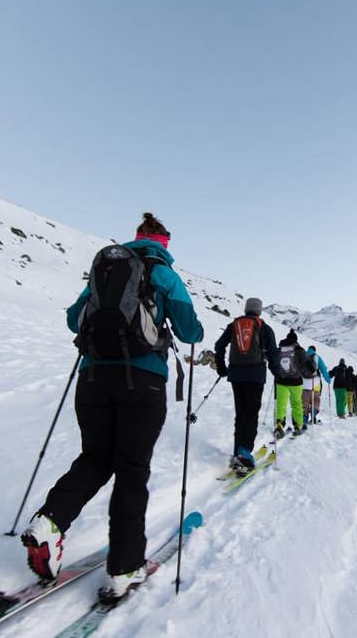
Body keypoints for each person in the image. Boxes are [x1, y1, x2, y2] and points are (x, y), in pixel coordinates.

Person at [21, 213, 203, 601]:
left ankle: (50, 523)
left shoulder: (105, 267)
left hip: (91, 380)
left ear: (136, 238)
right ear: (164, 244)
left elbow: (74, 320)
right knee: (132, 470)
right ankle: (124, 567)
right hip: (143, 382)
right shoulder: (163, 273)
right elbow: (190, 330)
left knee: (95, 458)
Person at [214, 298, 278, 471]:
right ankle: (244, 453)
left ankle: (237, 452)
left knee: (241, 413)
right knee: (251, 413)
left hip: (236, 374)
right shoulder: (264, 328)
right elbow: (272, 354)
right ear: (259, 311)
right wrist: (277, 372)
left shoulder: (234, 325)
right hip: (255, 375)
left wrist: (221, 367)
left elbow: (219, 346)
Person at [273, 329, 307, 437]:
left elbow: (273, 361)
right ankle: (297, 425)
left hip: (281, 381)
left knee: (281, 403)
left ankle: (279, 425)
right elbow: (307, 364)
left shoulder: (280, 349)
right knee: (296, 403)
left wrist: (276, 373)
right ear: (296, 340)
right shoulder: (299, 350)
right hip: (296, 381)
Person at [301, 346, 331, 425]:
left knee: (305, 401)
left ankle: (304, 418)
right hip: (315, 383)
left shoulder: (303, 357)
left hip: (304, 384)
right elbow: (324, 369)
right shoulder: (317, 358)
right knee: (315, 400)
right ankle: (313, 415)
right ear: (315, 350)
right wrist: (328, 379)